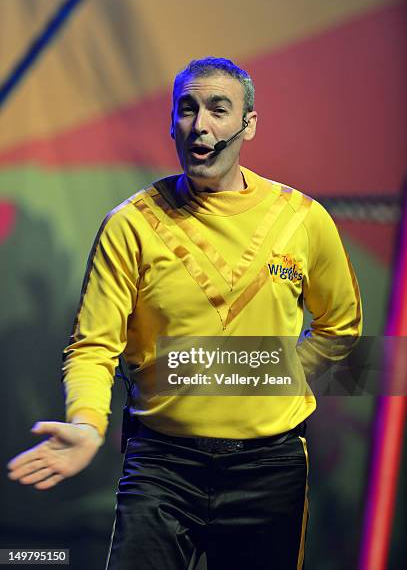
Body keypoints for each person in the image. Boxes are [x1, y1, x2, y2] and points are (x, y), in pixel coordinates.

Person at [7, 57, 362, 569]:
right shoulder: (129, 224)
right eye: (187, 109)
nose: (201, 124)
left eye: (220, 109)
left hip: (270, 467)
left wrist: (265, 377)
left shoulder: (302, 220)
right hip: (161, 465)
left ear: (249, 124)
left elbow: (341, 327)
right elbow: (93, 346)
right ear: (172, 123)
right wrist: (86, 423)